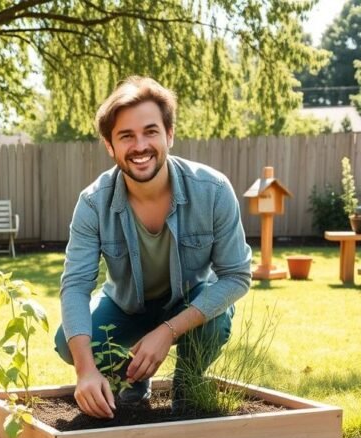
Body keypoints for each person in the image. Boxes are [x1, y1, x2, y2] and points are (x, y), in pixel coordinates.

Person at [55, 76, 252, 419]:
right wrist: (85, 370)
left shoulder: (214, 190)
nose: (140, 146)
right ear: (109, 146)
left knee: (214, 323)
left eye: (150, 131)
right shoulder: (92, 203)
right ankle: (131, 387)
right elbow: (75, 286)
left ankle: (187, 387)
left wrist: (168, 330)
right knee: (68, 341)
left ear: (169, 135)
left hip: (189, 302)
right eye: (126, 136)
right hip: (125, 306)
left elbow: (236, 276)